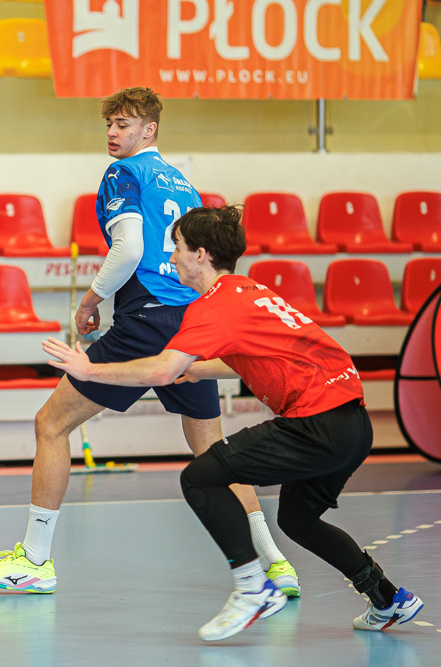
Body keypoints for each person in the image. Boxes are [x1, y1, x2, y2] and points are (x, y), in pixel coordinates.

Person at [0, 87, 297, 596]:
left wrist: (89, 301)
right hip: (188, 320)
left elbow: (128, 248)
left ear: (149, 129)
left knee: (51, 424)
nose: (113, 133)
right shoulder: (184, 183)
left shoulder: (123, 173)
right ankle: (275, 563)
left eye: (123, 124)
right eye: (109, 124)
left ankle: (33, 561)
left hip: (144, 318)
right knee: (212, 449)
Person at [42, 205, 424, 641]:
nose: (171, 258)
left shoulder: (214, 306)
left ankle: (252, 587)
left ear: (201, 255)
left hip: (314, 422)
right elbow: (258, 355)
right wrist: (198, 370)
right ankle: (387, 598)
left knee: (200, 477)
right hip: (352, 424)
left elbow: (161, 371)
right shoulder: (252, 292)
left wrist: (88, 369)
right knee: (298, 520)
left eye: (178, 248)